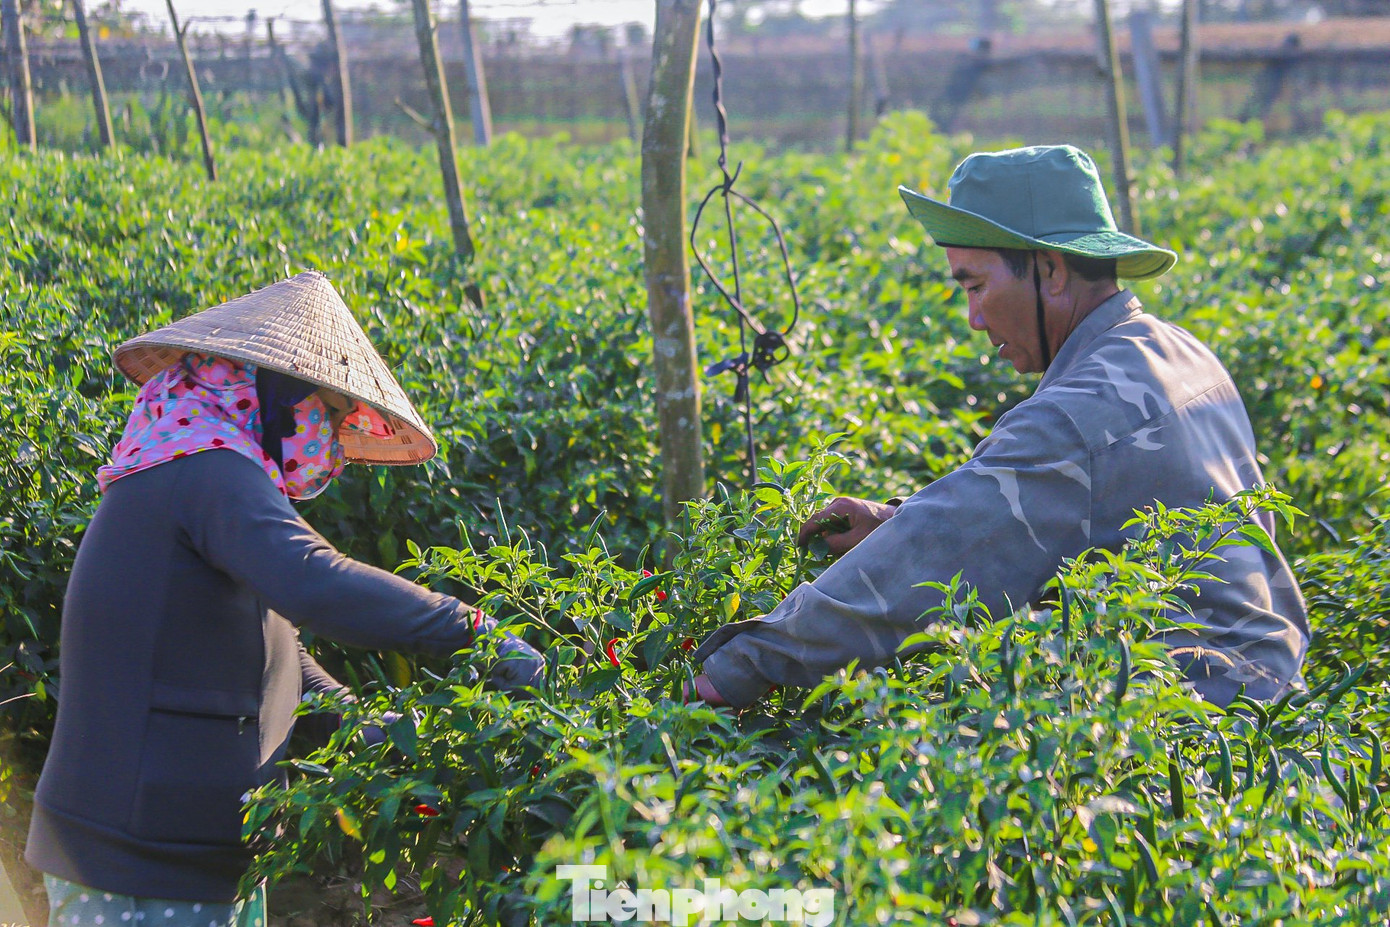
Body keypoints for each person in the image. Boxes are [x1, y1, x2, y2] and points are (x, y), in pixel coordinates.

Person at [690, 144, 1309, 711]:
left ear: (1052, 271)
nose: (974, 317)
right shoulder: (1181, 353)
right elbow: (1047, 504)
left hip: (1199, 734)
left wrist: (742, 664)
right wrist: (893, 519)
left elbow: (936, 555)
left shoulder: (1077, 416)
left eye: (977, 286)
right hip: (1274, 708)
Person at [25, 271, 546, 924]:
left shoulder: (205, 471)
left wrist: (397, 737)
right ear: (274, 395)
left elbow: (283, 668)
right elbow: (314, 581)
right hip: (139, 863)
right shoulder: (206, 469)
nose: (330, 437)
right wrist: (473, 629)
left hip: (198, 857)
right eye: (325, 412)